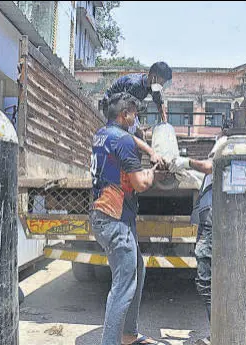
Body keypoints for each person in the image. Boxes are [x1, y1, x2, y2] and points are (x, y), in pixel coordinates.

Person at [90, 92, 162, 345]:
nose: (136, 119)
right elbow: (141, 183)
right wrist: (152, 171)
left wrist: (149, 149)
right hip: (115, 218)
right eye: (133, 114)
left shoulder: (102, 134)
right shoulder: (124, 142)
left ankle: (129, 334)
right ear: (124, 115)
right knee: (123, 285)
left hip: (107, 214)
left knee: (136, 271)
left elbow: (129, 139)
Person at [169, 135, 229, 345]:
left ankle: (218, 336)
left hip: (212, 223)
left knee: (206, 281)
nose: (210, 157)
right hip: (211, 221)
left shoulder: (226, 145)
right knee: (209, 281)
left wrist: (187, 162)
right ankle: (218, 333)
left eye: (213, 155)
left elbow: (210, 166)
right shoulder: (212, 177)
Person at [101, 62, 173, 124]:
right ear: (153, 76)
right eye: (161, 82)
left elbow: (159, 103)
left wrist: (165, 122)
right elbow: (125, 108)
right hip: (109, 105)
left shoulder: (153, 86)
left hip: (124, 107)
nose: (162, 85)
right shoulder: (135, 84)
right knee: (129, 128)